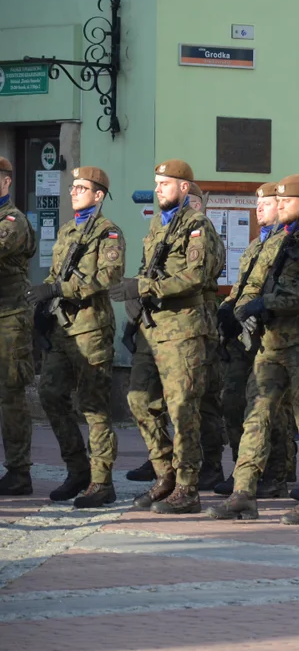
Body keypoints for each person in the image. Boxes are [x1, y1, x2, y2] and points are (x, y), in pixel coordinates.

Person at [208, 174, 299, 525]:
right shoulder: (273, 243)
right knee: (256, 418)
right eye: (276, 201)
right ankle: (244, 494)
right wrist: (239, 309)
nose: (279, 206)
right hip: (271, 346)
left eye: (286, 201)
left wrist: (265, 303)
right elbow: (250, 285)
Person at [110, 159, 215, 514]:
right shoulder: (158, 223)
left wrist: (144, 286)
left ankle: (188, 488)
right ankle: (165, 473)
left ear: (184, 188)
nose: (158, 189)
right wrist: (135, 303)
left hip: (182, 330)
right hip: (152, 331)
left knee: (182, 409)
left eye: (165, 183)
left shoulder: (197, 225)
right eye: (156, 183)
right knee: (140, 401)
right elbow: (147, 268)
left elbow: (194, 276)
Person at [23, 167, 124, 507]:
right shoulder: (68, 230)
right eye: (73, 186)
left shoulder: (108, 233)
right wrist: (45, 305)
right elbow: (55, 274)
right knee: (50, 394)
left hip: (91, 329)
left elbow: (107, 277)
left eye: (82, 188)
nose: (74, 191)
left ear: (98, 195)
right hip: (63, 327)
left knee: (94, 407)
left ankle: (101, 481)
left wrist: (58, 288)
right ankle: (77, 468)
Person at [213, 182, 298, 498]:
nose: (259, 207)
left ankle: (276, 473)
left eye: (267, 202)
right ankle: (243, 468)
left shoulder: (286, 244)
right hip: (243, 337)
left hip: (270, 335)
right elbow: (241, 287)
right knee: (234, 401)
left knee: (272, 409)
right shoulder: (253, 246)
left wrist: (256, 310)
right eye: (257, 202)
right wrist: (227, 310)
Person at [186, 182, 228, 492]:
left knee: (206, 400)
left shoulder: (204, 232)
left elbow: (199, 276)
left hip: (203, 320)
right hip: (179, 326)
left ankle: (211, 465)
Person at [0, 157, 37, 496]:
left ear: (7, 182)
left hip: (9, 318)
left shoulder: (13, 220)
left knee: (10, 394)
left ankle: (18, 470)